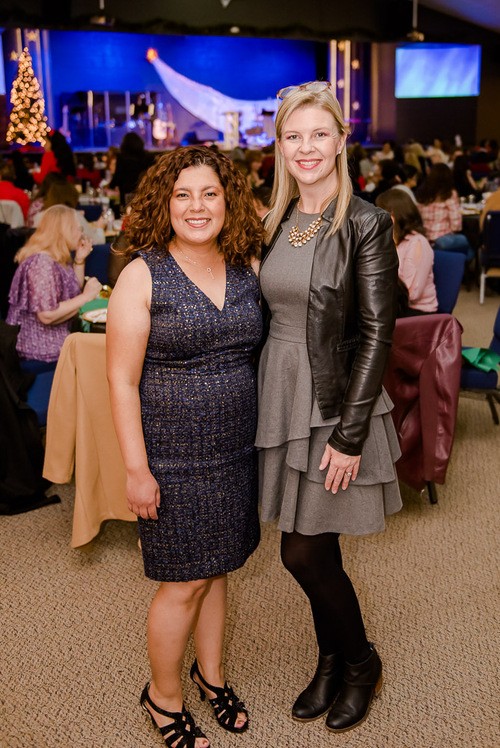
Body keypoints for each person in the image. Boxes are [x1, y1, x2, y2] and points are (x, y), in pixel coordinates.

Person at [256, 81, 402, 734]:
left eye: (319, 134)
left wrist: (348, 435)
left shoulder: (366, 223)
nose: (306, 147)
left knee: (303, 552)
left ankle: (361, 662)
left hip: (334, 401)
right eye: (294, 136)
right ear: (279, 146)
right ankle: (331, 660)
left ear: (342, 140)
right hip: (282, 393)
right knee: (316, 549)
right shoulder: (275, 220)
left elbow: (376, 334)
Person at [106, 145, 264, 747]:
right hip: (172, 459)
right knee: (184, 583)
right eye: (183, 195)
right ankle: (163, 697)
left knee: (218, 569)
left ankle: (210, 675)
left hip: (236, 451)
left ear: (228, 202)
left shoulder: (246, 264)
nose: (197, 207)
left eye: (210, 194)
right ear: (164, 204)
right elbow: (121, 381)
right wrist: (136, 470)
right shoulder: (142, 274)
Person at [6, 205, 102, 372]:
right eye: (78, 229)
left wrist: (79, 260)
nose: (81, 233)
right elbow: (47, 315)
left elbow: (71, 293)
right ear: (64, 231)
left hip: (55, 342)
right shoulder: (42, 264)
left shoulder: (56, 257)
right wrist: (87, 296)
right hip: (39, 350)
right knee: (99, 359)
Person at [376, 188, 438, 313]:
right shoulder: (388, 241)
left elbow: (412, 293)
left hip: (416, 311)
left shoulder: (417, 243)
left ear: (394, 215)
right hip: (393, 305)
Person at [416, 163, 474, 261]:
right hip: (443, 240)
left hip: (425, 239)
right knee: (470, 247)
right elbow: (456, 225)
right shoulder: (449, 194)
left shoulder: (421, 194)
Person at [108, 132, 155, 207]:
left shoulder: (122, 158)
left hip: (127, 193)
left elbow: (117, 177)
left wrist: (110, 186)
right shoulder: (148, 157)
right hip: (144, 193)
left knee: (128, 212)